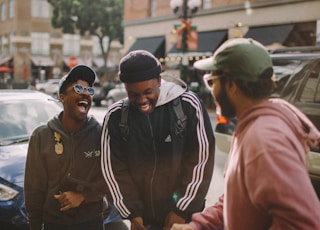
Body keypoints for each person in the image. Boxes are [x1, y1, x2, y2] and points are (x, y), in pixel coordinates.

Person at [171, 38, 320, 230]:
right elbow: (239, 197)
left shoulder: (264, 141)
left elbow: (303, 223)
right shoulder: (253, 127)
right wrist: (198, 226)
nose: (212, 91)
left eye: (212, 81)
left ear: (232, 85)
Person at [101, 50, 215, 230]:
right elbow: (113, 169)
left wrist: (181, 209)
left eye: (148, 92)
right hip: (142, 221)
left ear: (159, 81)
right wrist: (133, 214)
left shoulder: (188, 106)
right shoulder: (116, 116)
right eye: (133, 94)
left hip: (185, 219)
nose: (142, 100)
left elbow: (201, 161)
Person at [24, 65, 107, 230]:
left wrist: (83, 196)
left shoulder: (102, 134)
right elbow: (34, 189)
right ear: (62, 97)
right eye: (78, 88)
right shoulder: (41, 136)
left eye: (89, 90)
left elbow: (112, 179)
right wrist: (34, 225)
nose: (85, 93)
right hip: (54, 224)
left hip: (92, 222)